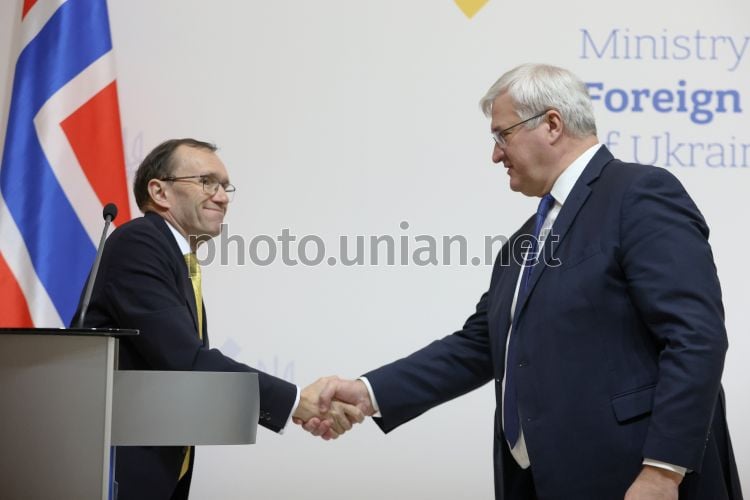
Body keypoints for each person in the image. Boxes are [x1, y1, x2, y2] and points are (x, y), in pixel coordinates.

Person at [302, 64, 742, 499]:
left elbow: (695, 336)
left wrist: (663, 471)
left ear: (552, 124)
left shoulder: (638, 193)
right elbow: (478, 346)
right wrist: (367, 393)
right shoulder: (523, 241)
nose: (496, 155)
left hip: (634, 478)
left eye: (502, 135)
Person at [72, 138, 362, 500]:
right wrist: (294, 402)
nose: (222, 197)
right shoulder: (139, 243)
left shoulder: (178, 258)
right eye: (207, 182)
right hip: (114, 473)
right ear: (160, 192)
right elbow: (187, 361)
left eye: (225, 187)